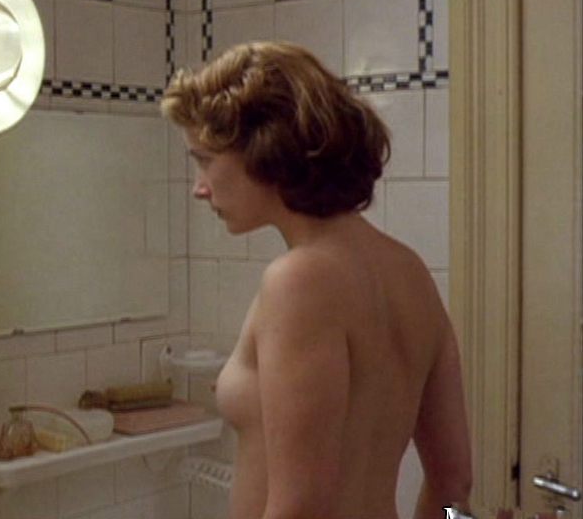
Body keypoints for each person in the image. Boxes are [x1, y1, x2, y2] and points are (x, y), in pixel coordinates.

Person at [161, 41, 472, 519]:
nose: (199, 189)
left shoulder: (298, 281)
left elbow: (300, 509)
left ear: (265, 149)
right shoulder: (410, 273)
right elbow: (454, 485)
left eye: (204, 160)